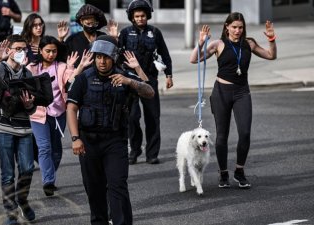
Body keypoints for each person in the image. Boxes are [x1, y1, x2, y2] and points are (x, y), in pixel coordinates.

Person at [66, 35, 155, 225]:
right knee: (94, 189)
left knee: (118, 186)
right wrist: (75, 138)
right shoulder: (84, 79)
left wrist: (130, 82)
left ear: (113, 57)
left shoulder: (123, 75)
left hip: (115, 141)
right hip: (88, 142)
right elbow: (71, 108)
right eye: (98, 57)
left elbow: (150, 92)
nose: (102, 61)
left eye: (106, 57)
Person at [189, 12, 277, 188]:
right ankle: (223, 174)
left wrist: (272, 39)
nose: (237, 30)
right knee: (222, 135)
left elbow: (270, 55)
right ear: (227, 27)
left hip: (242, 92)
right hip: (221, 91)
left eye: (240, 27)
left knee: (245, 133)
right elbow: (194, 59)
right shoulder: (219, 44)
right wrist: (200, 42)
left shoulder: (249, 43)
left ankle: (239, 171)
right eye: (234, 27)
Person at [0, 34, 37, 225]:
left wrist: (29, 105)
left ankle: (22, 199)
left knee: (28, 168)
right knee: (8, 173)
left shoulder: (27, 74)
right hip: (2, 127)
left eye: (24, 49)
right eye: (17, 48)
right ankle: (11, 213)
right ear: (9, 50)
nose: (21, 52)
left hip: (24, 128)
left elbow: (34, 107)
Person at [26, 35, 94, 197]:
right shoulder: (31, 68)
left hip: (59, 114)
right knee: (44, 147)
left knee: (56, 150)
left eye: (54, 51)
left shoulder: (62, 67)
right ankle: (48, 181)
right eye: (48, 51)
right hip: (38, 114)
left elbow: (71, 80)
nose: (51, 54)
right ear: (40, 51)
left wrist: (81, 66)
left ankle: (49, 170)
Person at [118, 0, 173, 165]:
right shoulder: (125, 33)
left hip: (150, 80)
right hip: (130, 80)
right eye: (137, 16)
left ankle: (152, 154)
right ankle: (134, 150)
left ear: (147, 16)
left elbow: (165, 54)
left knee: (153, 117)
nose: (140, 18)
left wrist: (169, 75)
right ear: (132, 17)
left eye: (143, 15)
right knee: (132, 118)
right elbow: (118, 55)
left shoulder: (155, 32)